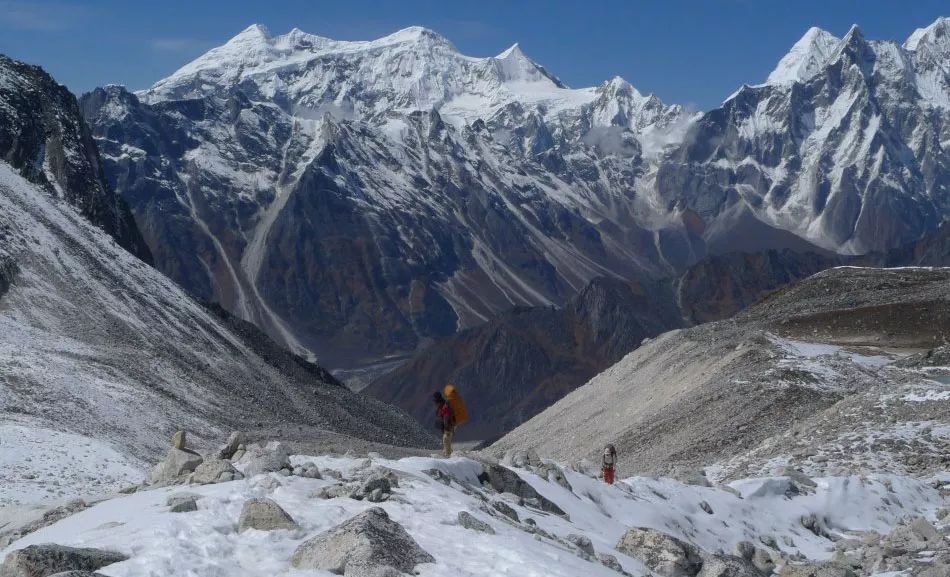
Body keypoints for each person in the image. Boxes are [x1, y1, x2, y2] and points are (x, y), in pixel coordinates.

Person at [433, 391, 456, 457]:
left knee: (446, 439)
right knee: (446, 440)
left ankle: (448, 455)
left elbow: (446, 418)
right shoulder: (442, 406)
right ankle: (448, 452)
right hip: (449, 425)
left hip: (448, 425)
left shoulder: (445, 407)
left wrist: (446, 427)